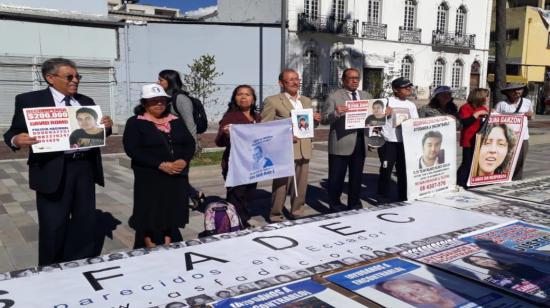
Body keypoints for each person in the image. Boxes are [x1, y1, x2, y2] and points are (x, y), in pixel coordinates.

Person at [3, 58, 113, 266]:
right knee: (53, 224)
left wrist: (105, 127)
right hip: (52, 168)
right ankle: (51, 268)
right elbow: (13, 132)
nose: (75, 81)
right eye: (69, 77)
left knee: (85, 221)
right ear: (50, 78)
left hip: (84, 168)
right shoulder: (29, 100)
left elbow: (95, 133)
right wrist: (16, 140)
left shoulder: (86, 101)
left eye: (77, 76)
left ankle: (81, 263)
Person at [123, 84, 195, 248]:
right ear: (144, 103)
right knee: (151, 213)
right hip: (150, 177)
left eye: (162, 101)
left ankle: (168, 243)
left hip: (176, 176)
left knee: (171, 211)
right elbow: (132, 149)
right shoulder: (135, 123)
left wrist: (184, 160)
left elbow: (189, 143)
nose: (159, 104)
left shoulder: (175, 121)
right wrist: (160, 164)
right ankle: (152, 247)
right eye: (154, 101)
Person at [261, 69, 321, 221]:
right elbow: (265, 126)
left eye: (297, 79)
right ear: (281, 83)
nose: (295, 82)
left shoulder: (306, 101)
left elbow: (308, 126)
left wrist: (315, 120)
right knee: (281, 185)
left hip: (304, 148)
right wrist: (283, 134)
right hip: (284, 148)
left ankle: (297, 211)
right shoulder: (272, 100)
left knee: (301, 184)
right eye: (291, 79)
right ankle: (275, 214)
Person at [321, 68, 372, 212]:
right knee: (336, 178)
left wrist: (384, 113)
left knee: (357, 177)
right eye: (351, 78)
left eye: (357, 78)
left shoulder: (366, 95)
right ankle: (335, 205)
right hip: (340, 143)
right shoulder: (334, 96)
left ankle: (354, 204)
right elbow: (324, 119)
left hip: (361, 141)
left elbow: (374, 117)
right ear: (343, 80)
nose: (355, 80)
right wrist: (336, 113)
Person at [216, 85, 261, 228]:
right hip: (236, 164)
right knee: (236, 196)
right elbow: (219, 141)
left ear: (253, 99)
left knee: (249, 195)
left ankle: (242, 221)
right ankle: (234, 224)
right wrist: (226, 134)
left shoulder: (257, 117)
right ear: (234, 98)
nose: (243, 97)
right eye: (239, 94)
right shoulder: (230, 117)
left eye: (247, 94)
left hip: (253, 164)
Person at [157, 70, 205, 208]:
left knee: (179, 175)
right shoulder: (168, 98)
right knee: (175, 176)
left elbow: (190, 124)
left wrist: (193, 146)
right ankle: (194, 194)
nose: (157, 82)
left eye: (161, 80)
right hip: (169, 144)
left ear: (170, 81)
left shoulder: (180, 99)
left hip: (182, 145)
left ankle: (185, 199)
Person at [378, 77, 419, 202]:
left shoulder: (411, 105)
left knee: (403, 171)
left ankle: (403, 197)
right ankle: (382, 197)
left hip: (405, 143)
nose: (408, 89)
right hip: (388, 142)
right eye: (405, 87)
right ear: (395, 89)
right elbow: (374, 120)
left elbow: (416, 123)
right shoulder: (386, 101)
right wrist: (383, 114)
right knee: (386, 171)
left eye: (409, 86)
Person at [495, 83, 533, 180]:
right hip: (505, 138)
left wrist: (530, 115)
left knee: (520, 161)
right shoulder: (501, 105)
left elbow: (532, 117)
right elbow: (494, 120)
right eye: (513, 90)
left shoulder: (527, 102)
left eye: (519, 89)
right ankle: (500, 179)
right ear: (508, 92)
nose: (517, 92)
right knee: (504, 161)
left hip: (523, 138)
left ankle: (516, 180)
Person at [456, 88, 490, 187]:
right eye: (486, 96)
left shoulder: (483, 108)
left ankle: (473, 181)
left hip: (480, 140)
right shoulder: (465, 107)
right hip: (468, 139)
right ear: (480, 97)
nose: (487, 98)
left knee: (477, 162)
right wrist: (476, 115)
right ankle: (460, 182)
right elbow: (465, 123)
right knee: (467, 162)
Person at [376, 278, 469, 308]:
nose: (416, 295)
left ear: (432, 288)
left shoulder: (464, 295)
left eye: (417, 289)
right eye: (404, 294)